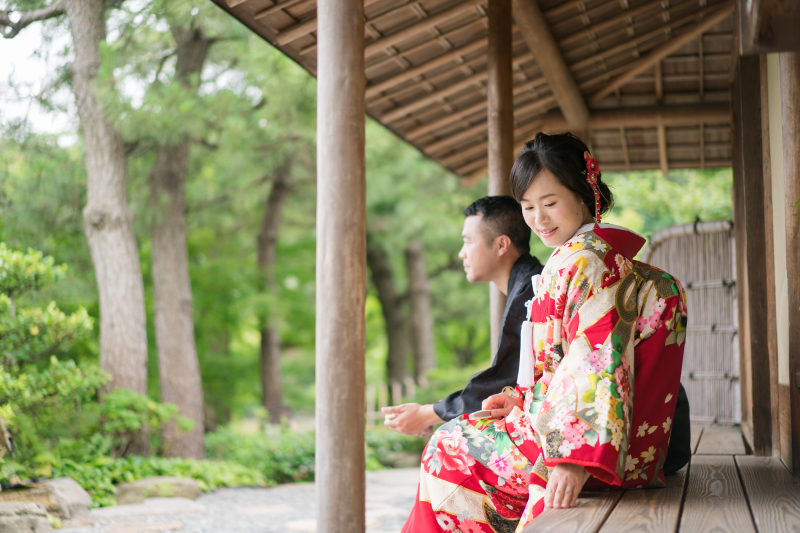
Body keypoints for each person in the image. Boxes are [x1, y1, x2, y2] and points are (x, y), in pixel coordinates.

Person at [402, 133, 689, 533]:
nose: (539, 219)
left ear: (585, 193)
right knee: (459, 435)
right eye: (528, 207)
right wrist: (520, 399)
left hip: (588, 453)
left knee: (447, 447)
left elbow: (595, 361)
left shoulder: (585, 261)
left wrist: (572, 461)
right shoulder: (591, 253)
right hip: (612, 441)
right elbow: (565, 362)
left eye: (550, 203)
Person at [382, 195, 544, 437]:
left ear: (501, 245)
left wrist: (428, 413)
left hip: (550, 425)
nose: (461, 253)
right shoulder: (526, 285)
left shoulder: (532, 290)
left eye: (468, 242)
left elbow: (503, 380)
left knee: (446, 443)